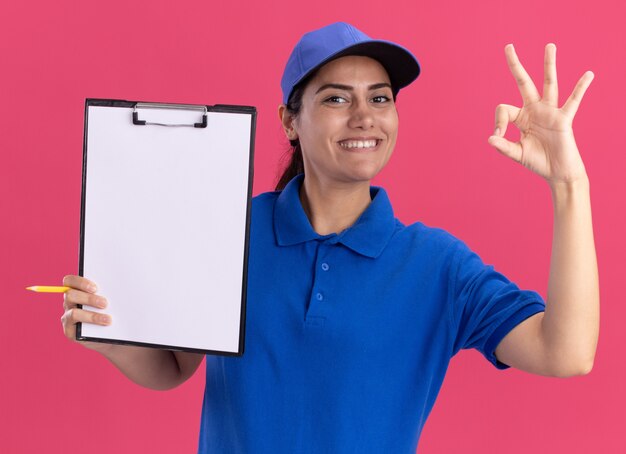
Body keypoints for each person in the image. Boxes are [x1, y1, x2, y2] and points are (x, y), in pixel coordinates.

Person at [60, 22, 599, 453]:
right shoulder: (229, 231)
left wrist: (570, 185)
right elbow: (173, 367)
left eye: (381, 98)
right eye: (337, 99)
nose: (365, 117)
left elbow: (567, 352)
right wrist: (109, 334)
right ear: (290, 121)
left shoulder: (438, 266)